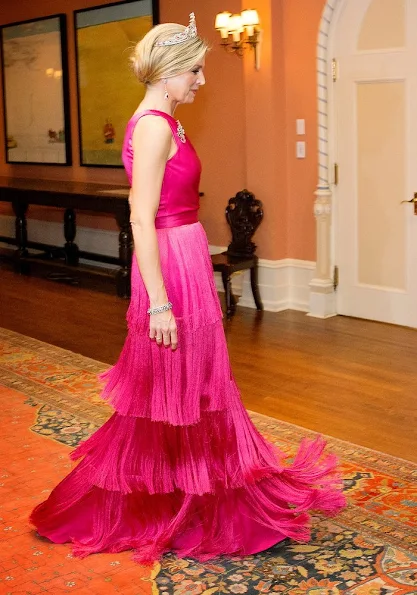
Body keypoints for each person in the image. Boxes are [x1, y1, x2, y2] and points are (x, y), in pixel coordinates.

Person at [30, 13, 346, 564]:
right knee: (173, 382)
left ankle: (194, 491)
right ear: (171, 69)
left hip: (187, 253)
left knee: (193, 382)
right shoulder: (153, 124)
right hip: (169, 263)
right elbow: (140, 216)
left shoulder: (167, 121)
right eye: (196, 71)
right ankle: (175, 501)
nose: (201, 81)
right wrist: (157, 301)